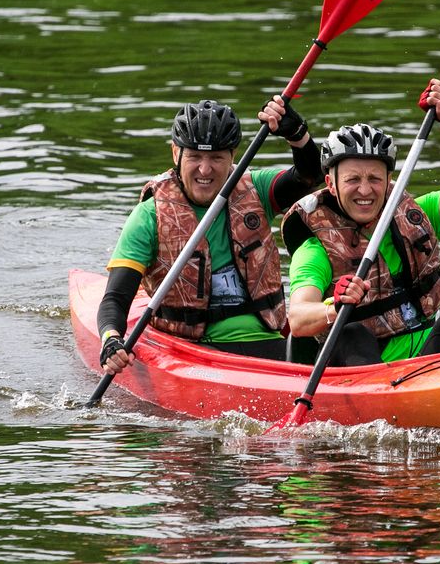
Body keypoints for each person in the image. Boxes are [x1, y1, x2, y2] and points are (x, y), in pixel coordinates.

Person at [281, 78, 440, 365]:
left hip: (422, 366)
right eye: (353, 179)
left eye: (375, 178)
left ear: (389, 180)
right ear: (331, 184)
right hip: (362, 369)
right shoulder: (316, 249)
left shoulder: (416, 215)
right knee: (352, 333)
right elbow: (298, 318)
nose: (365, 190)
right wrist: (335, 307)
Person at [97, 95, 321, 374]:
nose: (205, 169)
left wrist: (297, 135)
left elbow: (310, 176)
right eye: (195, 156)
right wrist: (111, 339)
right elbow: (115, 299)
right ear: (176, 154)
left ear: (233, 157)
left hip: (269, 342)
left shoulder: (257, 190)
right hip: (195, 353)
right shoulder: (149, 216)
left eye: (216, 157)